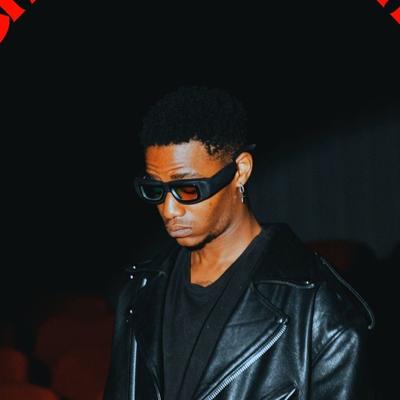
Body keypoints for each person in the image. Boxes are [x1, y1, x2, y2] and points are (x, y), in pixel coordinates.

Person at [103, 86, 375, 400]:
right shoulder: (140, 291)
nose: (169, 210)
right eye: (154, 190)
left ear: (240, 171)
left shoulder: (322, 313)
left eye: (188, 189)